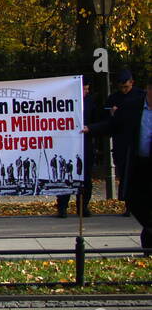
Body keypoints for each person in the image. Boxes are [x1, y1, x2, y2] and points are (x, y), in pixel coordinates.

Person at [87, 85, 152, 253]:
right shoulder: (133, 106)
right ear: (148, 90)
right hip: (138, 165)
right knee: (135, 202)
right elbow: (113, 125)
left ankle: (149, 245)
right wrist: (90, 129)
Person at [56, 78, 101, 218]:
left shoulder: (90, 102)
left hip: (85, 143)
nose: (86, 92)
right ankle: (62, 206)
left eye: (87, 89)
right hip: (68, 144)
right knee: (66, 176)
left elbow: (98, 121)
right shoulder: (64, 101)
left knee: (85, 177)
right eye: (84, 89)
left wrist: (90, 128)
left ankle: (82, 206)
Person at [105, 69, 145, 214]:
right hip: (121, 141)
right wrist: (112, 115)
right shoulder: (114, 98)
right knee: (124, 173)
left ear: (132, 83)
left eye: (126, 87)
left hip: (135, 140)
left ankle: (136, 203)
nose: (123, 90)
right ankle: (129, 204)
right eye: (121, 87)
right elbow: (107, 121)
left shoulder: (140, 96)